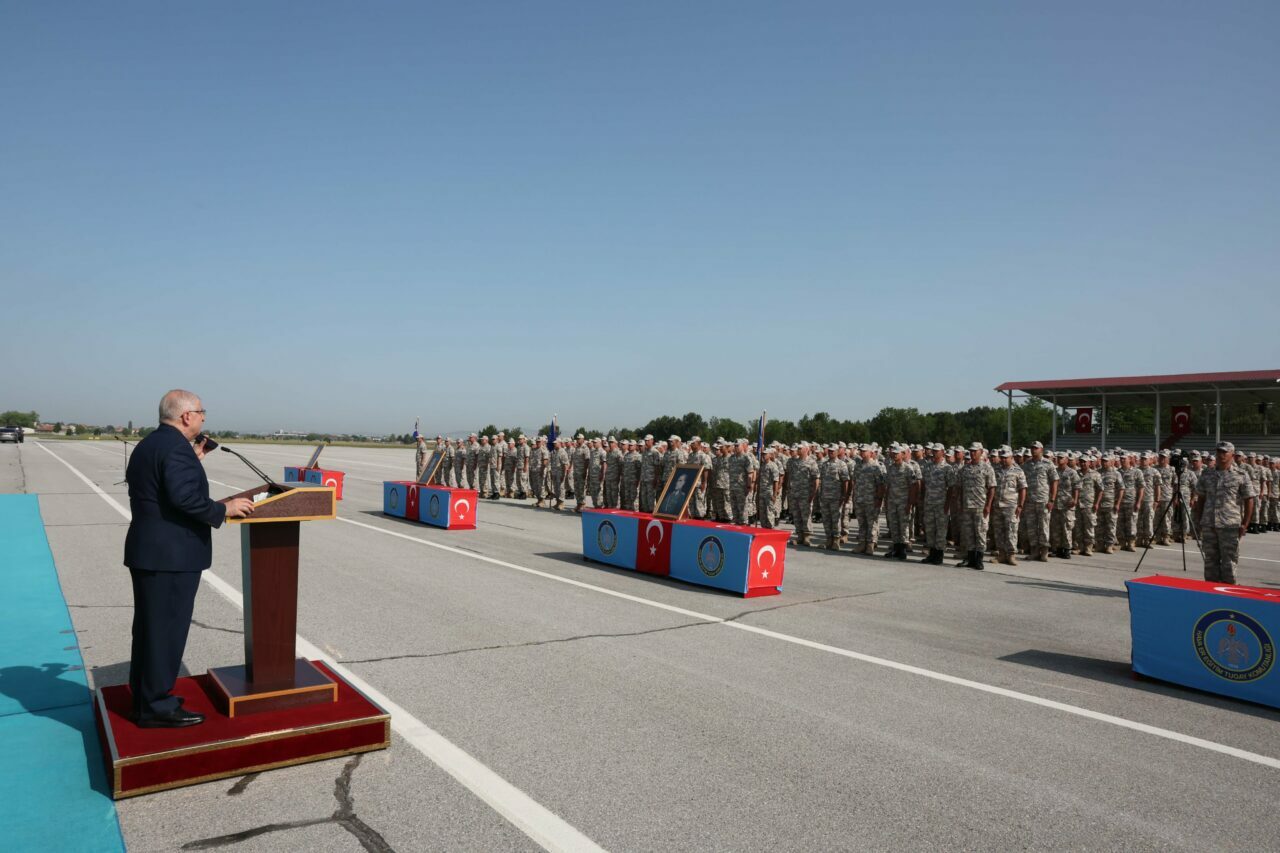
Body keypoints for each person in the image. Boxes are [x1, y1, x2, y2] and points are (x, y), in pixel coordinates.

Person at [124, 389, 255, 727]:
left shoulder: (153, 444)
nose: (203, 417)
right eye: (200, 411)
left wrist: (191, 464)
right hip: (170, 557)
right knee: (165, 632)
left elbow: (164, 491)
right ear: (185, 416)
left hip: (151, 552)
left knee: (151, 631)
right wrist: (224, 508)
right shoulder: (174, 449)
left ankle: (145, 697)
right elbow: (185, 499)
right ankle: (155, 707)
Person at [1194, 441, 1257, 584]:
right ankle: (1211, 593)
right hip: (1209, 524)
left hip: (1229, 525)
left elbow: (1249, 499)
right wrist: (1199, 520)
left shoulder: (1241, 474)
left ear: (1232, 455)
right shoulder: (1207, 473)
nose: (1221, 455)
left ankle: (1228, 595)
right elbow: (1201, 498)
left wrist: (1245, 524)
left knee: (1229, 562)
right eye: (1218, 452)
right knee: (1210, 561)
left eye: (1224, 452)